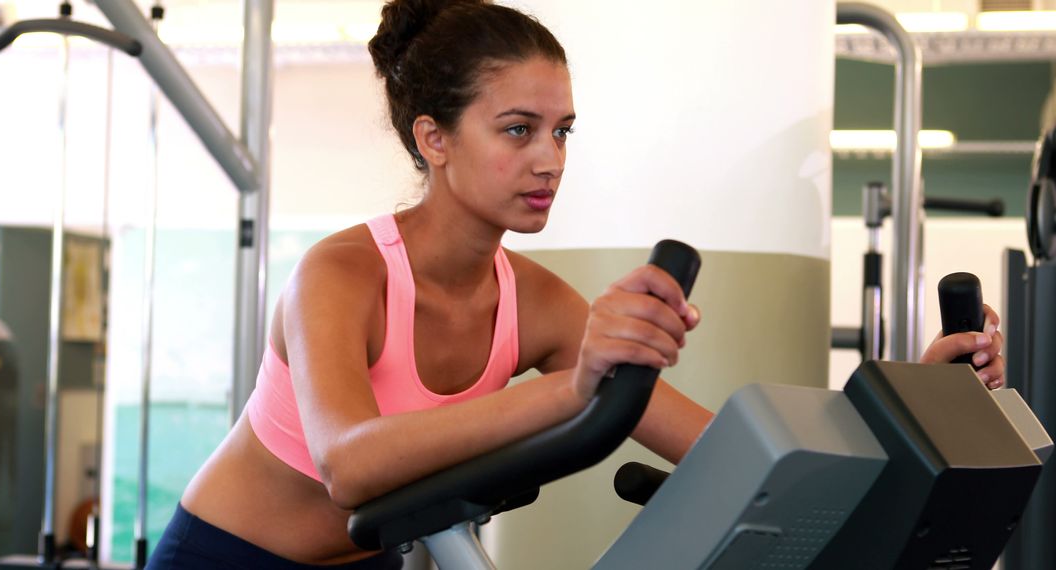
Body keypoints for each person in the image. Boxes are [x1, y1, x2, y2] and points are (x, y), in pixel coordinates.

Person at [148, 0, 1006, 567]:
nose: (549, 160)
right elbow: (349, 464)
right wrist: (575, 389)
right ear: (433, 138)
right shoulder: (340, 274)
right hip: (225, 556)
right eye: (517, 130)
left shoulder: (536, 299)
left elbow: (732, 446)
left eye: (562, 132)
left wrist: (912, 404)